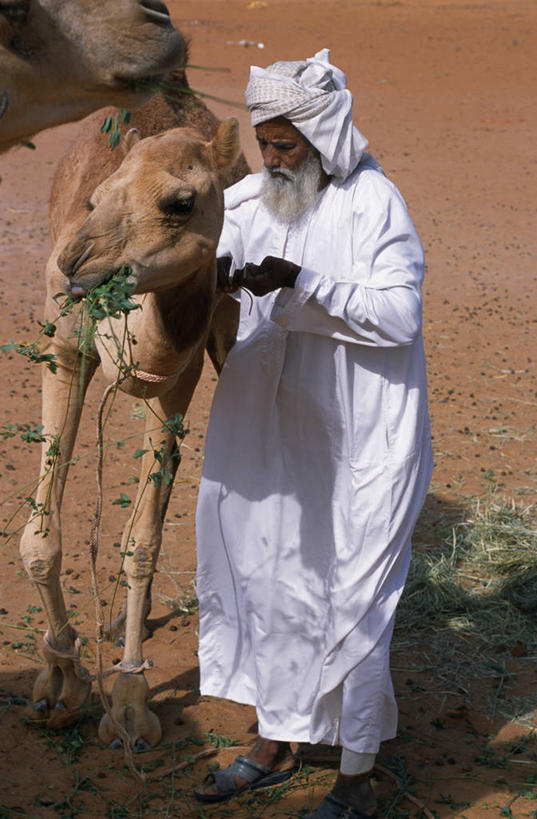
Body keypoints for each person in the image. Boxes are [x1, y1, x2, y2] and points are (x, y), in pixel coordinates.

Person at [193, 48, 433, 818]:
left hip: (362, 438)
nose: (270, 158)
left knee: (354, 596)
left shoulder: (373, 203)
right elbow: (203, 238)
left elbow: (399, 313)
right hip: (271, 431)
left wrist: (302, 284)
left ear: (323, 138)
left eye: (285, 146)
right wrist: (218, 272)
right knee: (271, 578)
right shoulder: (257, 195)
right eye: (263, 143)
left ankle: (355, 779)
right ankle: (272, 739)